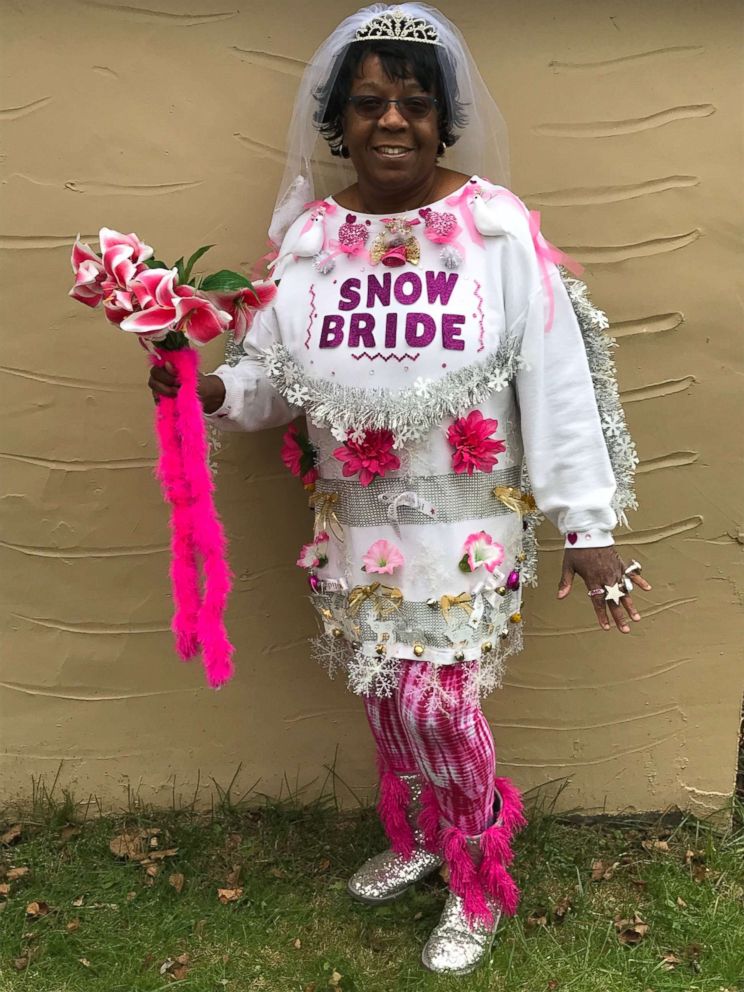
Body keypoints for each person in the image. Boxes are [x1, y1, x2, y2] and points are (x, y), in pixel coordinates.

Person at [149, 3, 652, 976]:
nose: (391, 121)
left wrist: (588, 528)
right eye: (370, 103)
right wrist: (200, 382)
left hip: (468, 534)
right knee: (387, 699)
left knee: (436, 701)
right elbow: (266, 378)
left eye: (413, 104)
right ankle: (421, 831)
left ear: (442, 118)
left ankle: (475, 871)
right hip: (358, 532)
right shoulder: (310, 245)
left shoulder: (496, 235)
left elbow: (553, 381)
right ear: (340, 120)